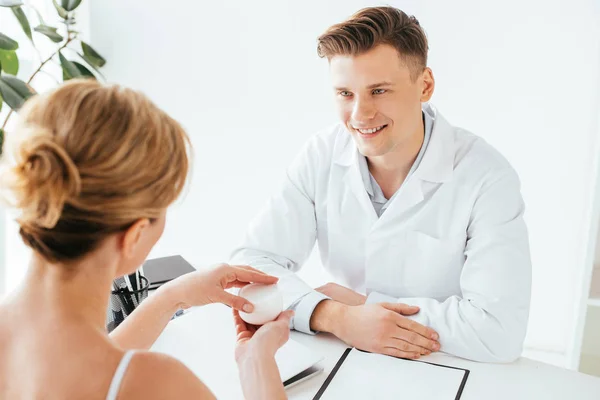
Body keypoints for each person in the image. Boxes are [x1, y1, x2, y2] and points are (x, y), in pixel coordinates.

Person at [231, 6, 532, 363]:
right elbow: (250, 266)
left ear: (425, 85)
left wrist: (363, 308)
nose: (360, 114)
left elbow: (498, 332)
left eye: (379, 91)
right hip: (342, 348)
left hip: (443, 363)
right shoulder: (321, 154)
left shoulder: (486, 177)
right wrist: (334, 315)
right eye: (345, 93)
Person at [0, 80, 290, 400]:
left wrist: (172, 296)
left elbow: (82, 365)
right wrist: (257, 364)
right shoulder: (161, 385)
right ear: (135, 234)